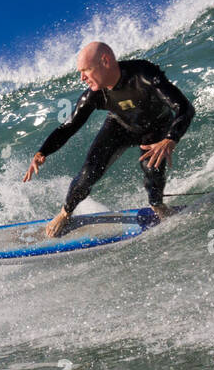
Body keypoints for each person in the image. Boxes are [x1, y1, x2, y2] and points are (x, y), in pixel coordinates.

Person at [23, 41, 195, 237]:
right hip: (119, 126)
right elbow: (68, 127)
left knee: (151, 168)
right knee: (88, 173)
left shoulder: (143, 75)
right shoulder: (95, 95)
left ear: (105, 61)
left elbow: (184, 107)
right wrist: (42, 152)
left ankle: (157, 205)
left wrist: (170, 139)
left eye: (86, 70)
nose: (82, 78)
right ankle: (65, 213)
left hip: (156, 127)